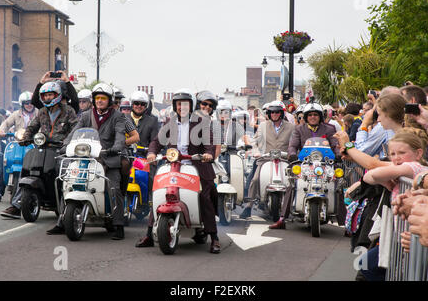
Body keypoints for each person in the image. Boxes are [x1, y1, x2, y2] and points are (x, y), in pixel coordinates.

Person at [135, 89, 221, 254]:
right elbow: (156, 141)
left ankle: (214, 237)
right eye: (179, 104)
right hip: (174, 166)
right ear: (175, 106)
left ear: (191, 105)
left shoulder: (201, 123)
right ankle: (148, 234)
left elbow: (209, 143)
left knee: (204, 196)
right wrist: (152, 152)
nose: (182, 107)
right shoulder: (169, 122)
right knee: (160, 192)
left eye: (185, 103)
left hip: (196, 166)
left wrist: (208, 154)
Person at [46, 82, 127, 240]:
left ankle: (118, 225)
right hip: (87, 156)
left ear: (109, 100)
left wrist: (116, 147)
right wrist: (65, 145)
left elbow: (120, 135)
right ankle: (62, 221)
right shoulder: (85, 115)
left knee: (114, 187)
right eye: (97, 98)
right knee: (67, 181)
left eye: (103, 98)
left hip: (108, 157)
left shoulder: (118, 116)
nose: (99, 101)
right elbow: (75, 132)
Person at [0, 81, 78, 219]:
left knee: (64, 173)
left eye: (50, 95)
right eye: (45, 95)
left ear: (57, 95)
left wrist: (67, 142)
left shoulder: (68, 111)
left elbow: (75, 128)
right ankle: (17, 205)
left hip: (62, 150)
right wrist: (25, 138)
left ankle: (67, 204)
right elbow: (32, 127)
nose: (47, 98)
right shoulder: (42, 112)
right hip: (44, 147)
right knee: (27, 169)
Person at [360, 131, 428, 281]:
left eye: (402, 153)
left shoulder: (414, 167)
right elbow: (368, 176)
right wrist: (385, 179)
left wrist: (383, 176)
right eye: (392, 153)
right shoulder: (402, 169)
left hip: (415, 236)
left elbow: (375, 173)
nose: (396, 158)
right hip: (402, 235)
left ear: (418, 153)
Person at [239, 100, 295, 220]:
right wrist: (256, 152)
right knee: (255, 179)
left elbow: (294, 143)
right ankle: (248, 207)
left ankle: (291, 207)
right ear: (268, 113)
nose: (274, 114)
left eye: (277, 112)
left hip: (284, 159)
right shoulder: (263, 126)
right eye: (271, 112)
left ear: (282, 113)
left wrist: (293, 154)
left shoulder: (291, 127)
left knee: (293, 181)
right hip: (265, 158)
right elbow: (254, 141)